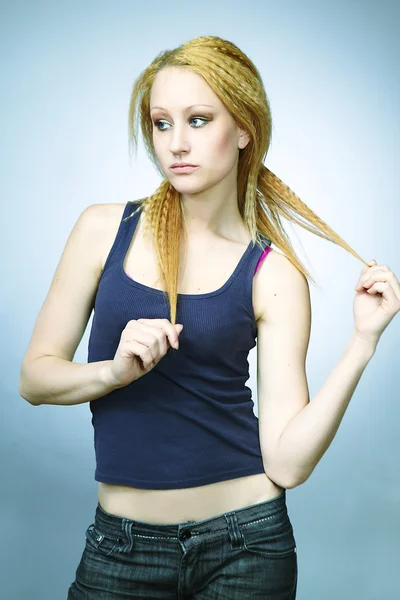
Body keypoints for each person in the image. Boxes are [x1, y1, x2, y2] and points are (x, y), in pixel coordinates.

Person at [19, 35, 400, 599]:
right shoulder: (102, 231)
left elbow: (288, 464)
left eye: (198, 120)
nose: (176, 143)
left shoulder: (273, 274)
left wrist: (363, 343)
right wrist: (111, 374)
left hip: (246, 547)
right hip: (121, 548)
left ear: (243, 129)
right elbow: (34, 379)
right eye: (161, 123)